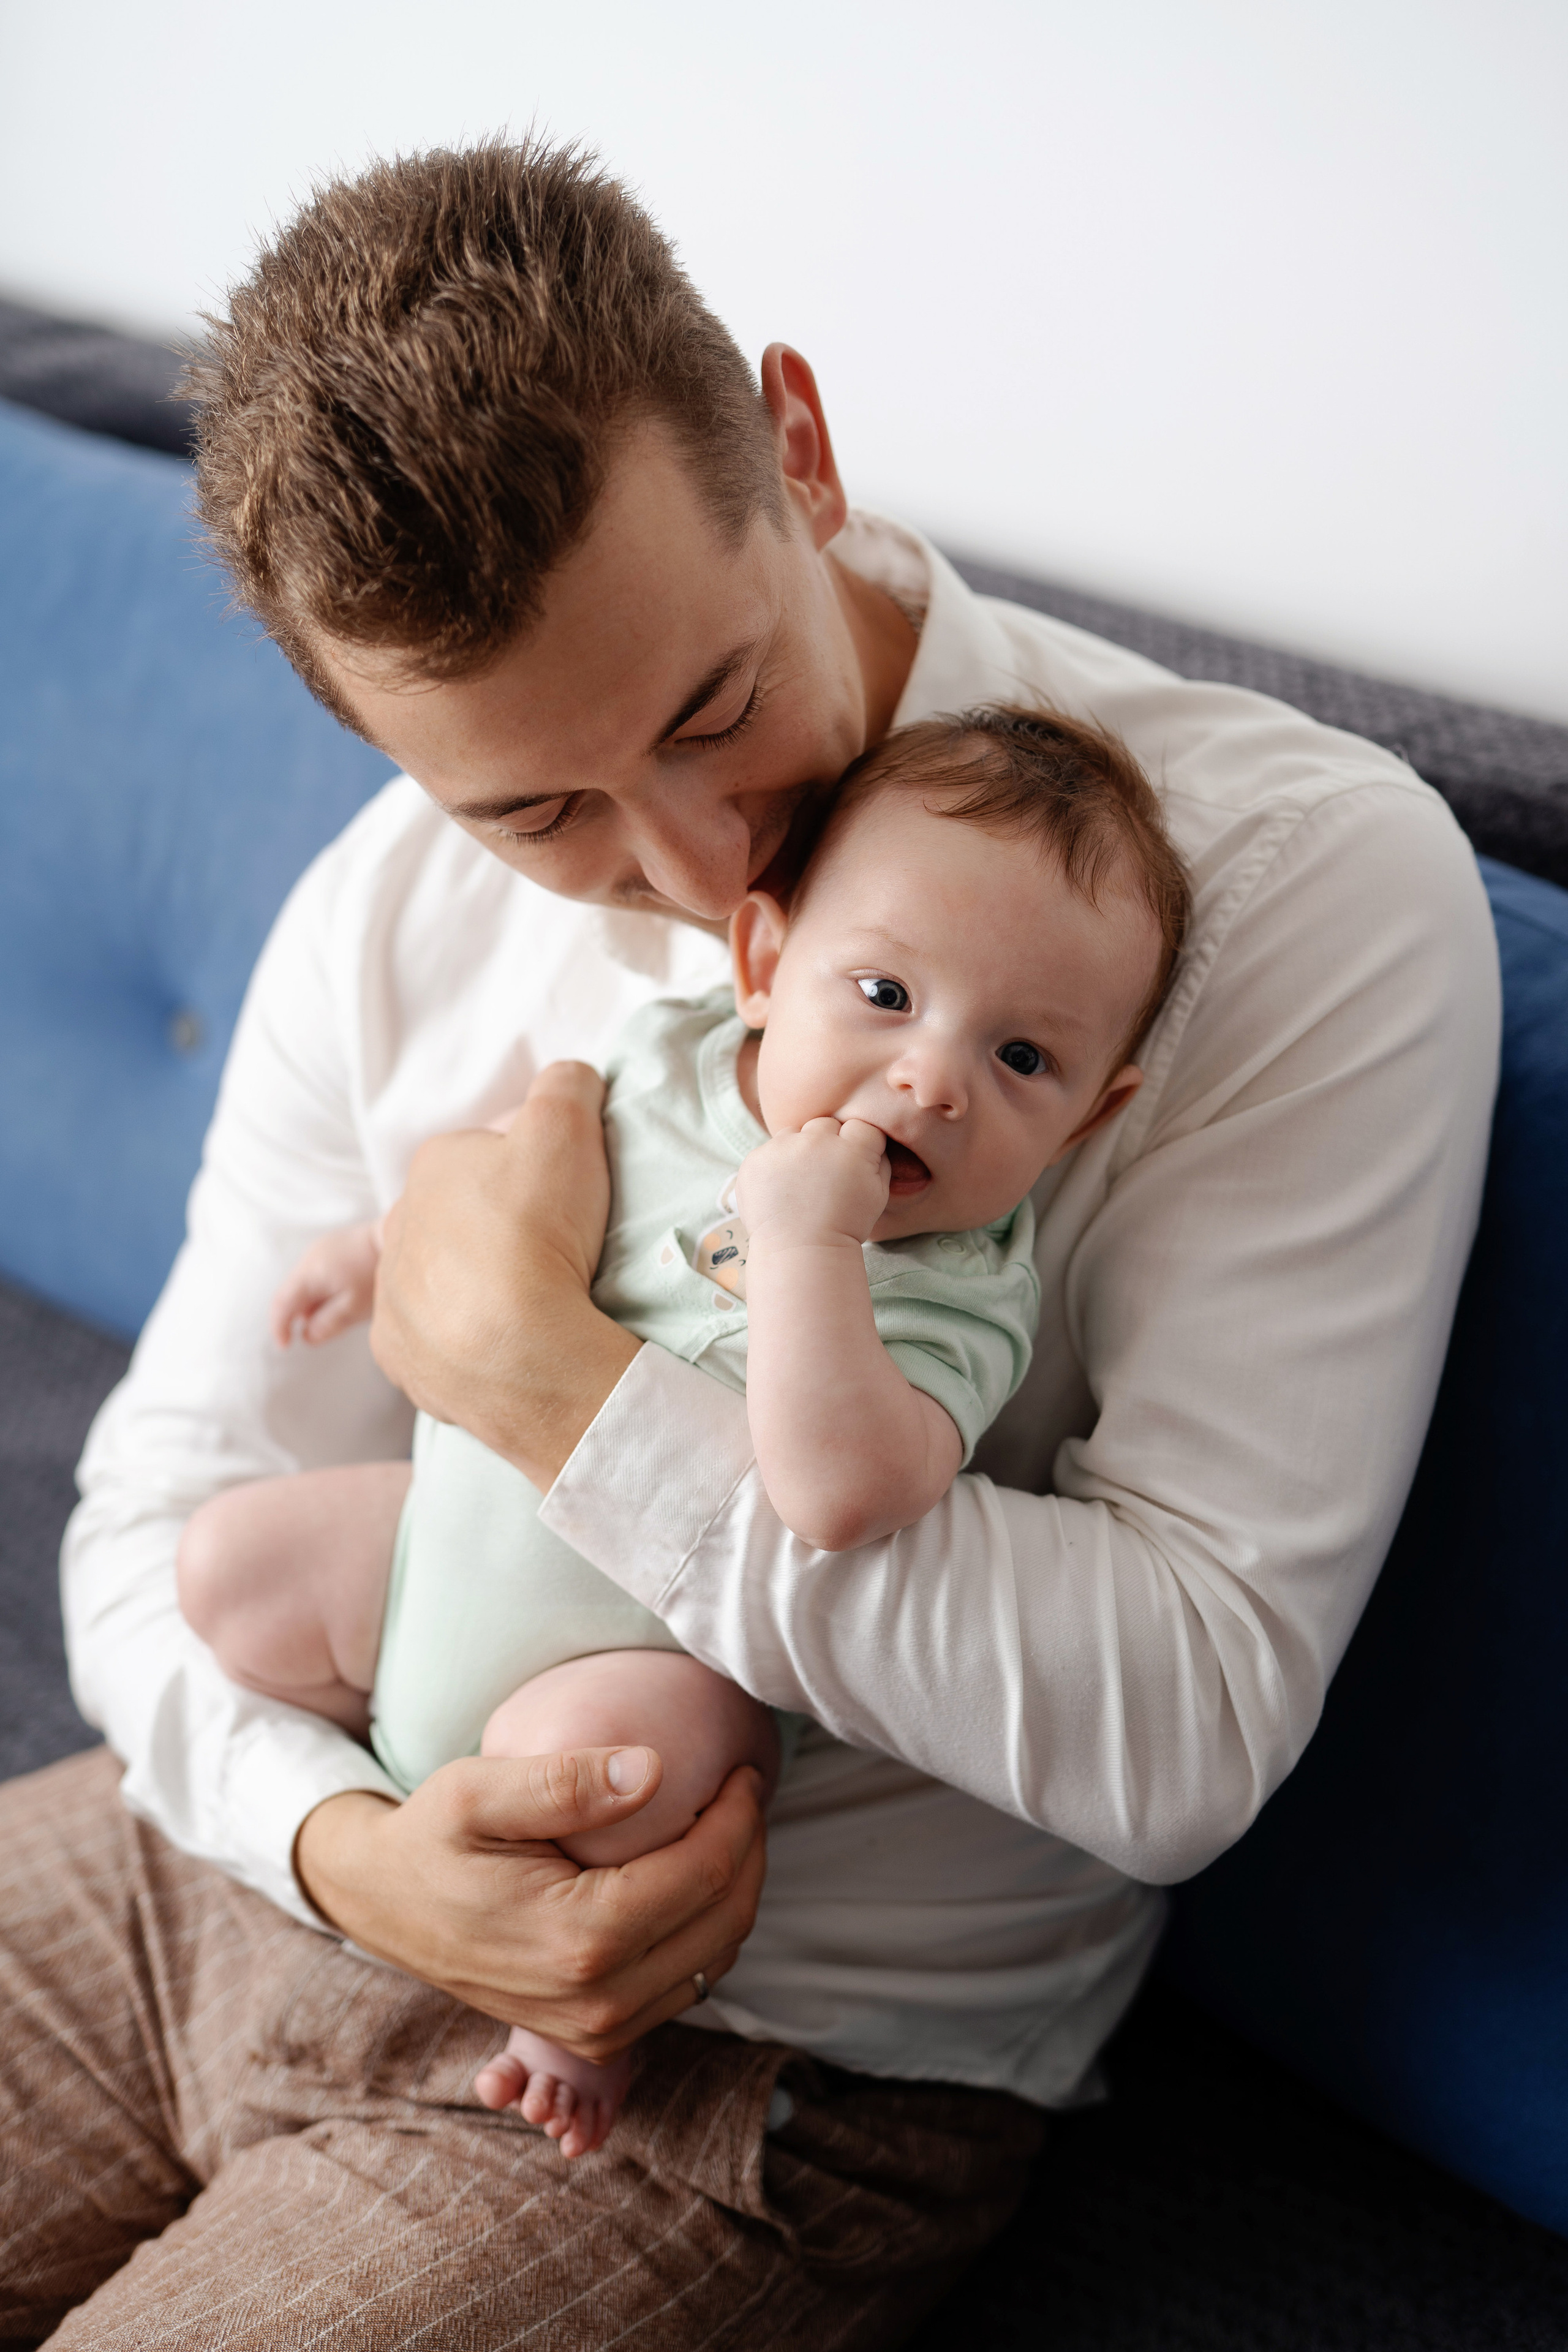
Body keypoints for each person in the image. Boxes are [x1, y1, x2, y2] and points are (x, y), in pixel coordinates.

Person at [0, 139, 1498, 2348]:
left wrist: (551, 1382)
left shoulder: (1290, 897)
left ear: (796, 450)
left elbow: (1185, 1723)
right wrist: (344, 1853)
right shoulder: (391, 904)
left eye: (713, 709)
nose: (702, 868)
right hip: (222, 1852)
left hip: (749, 2059)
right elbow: (155, 1520)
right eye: (538, 812)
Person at [173, 702, 1191, 2160]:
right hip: (434, 1562)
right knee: (230, 1567)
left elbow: (839, 1497)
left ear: (1092, 1118)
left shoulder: (964, 1293)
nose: (932, 1080)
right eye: (886, 996)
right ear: (764, 966)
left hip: (636, 1662)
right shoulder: (660, 1061)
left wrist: (805, 1251)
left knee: (622, 1773)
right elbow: (501, 1195)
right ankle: (389, 1797)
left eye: (1022, 1059)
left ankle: (577, 2018)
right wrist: (374, 1247)